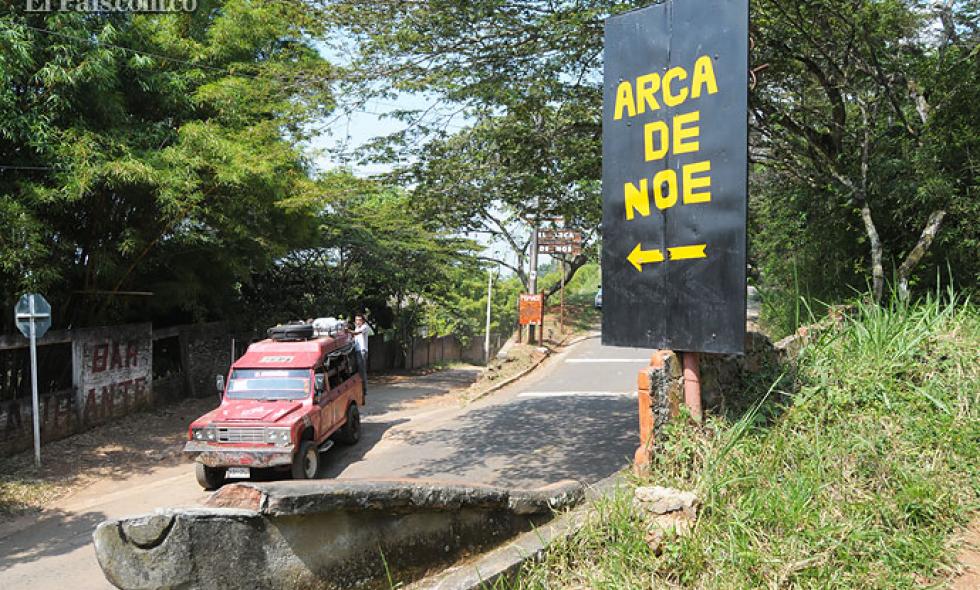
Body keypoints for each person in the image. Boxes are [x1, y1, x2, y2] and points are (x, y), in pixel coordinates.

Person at [349, 314, 373, 394]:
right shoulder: (357, 327)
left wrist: (348, 331)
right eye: (356, 320)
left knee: (362, 371)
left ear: (363, 320)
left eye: (359, 320)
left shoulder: (364, 327)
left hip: (362, 351)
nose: (358, 321)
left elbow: (357, 333)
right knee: (358, 371)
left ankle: (364, 389)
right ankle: (360, 388)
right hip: (357, 351)